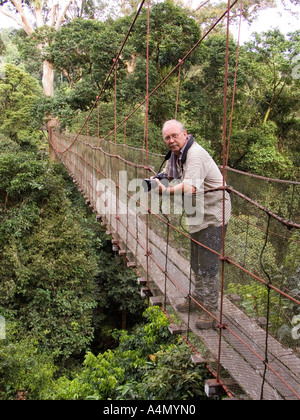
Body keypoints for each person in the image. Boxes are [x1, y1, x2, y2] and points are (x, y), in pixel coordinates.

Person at [154, 120, 231, 329]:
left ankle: (210, 310)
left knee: (208, 264)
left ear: (185, 134)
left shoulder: (195, 155)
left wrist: (163, 191)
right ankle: (198, 297)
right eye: (167, 138)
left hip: (214, 213)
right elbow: (171, 175)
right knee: (196, 260)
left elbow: (188, 188)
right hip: (198, 214)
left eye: (174, 136)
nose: (171, 141)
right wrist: (158, 179)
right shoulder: (178, 155)